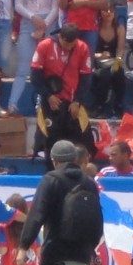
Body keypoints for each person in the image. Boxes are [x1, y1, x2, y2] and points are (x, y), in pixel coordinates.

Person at [31, 23, 93, 162]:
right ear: (60, 36)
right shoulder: (44, 46)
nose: (69, 46)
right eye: (66, 42)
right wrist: (48, 96)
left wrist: (77, 100)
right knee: (49, 142)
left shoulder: (82, 48)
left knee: (81, 142)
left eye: (73, 43)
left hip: (73, 103)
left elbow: (86, 78)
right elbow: (35, 76)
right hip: (51, 102)